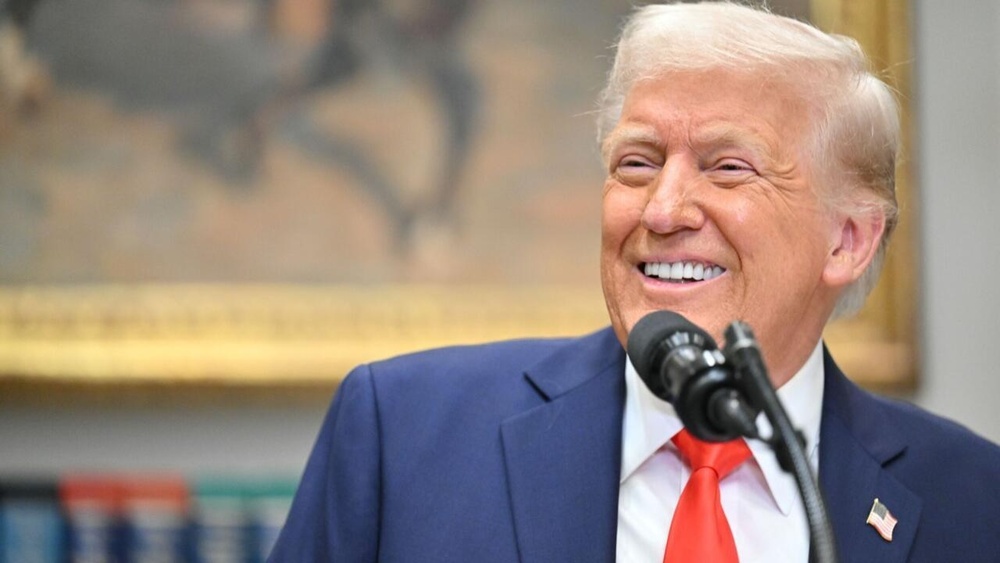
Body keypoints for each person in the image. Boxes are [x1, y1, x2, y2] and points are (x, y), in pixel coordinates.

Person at [268, 2, 1000, 562]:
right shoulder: (404, 434)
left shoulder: (972, 497)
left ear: (847, 240)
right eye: (637, 163)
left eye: (727, 167)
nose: (662, 209)